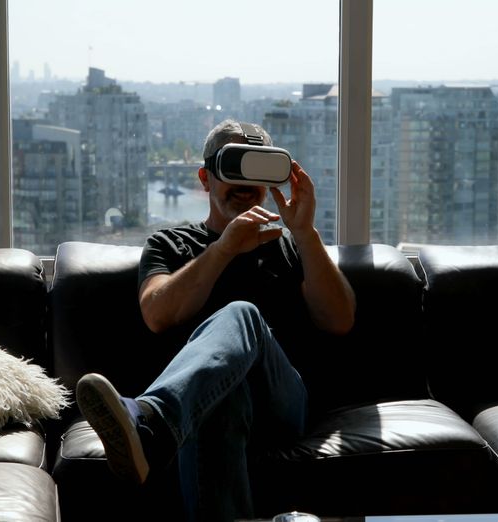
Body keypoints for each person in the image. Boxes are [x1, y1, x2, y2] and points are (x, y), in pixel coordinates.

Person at [76, 118, 356, 521]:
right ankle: (168, 421)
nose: (245, 184)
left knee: (242, 314)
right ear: (206, 179)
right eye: (233, 168)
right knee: (220, 403)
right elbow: (157, 313)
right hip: (206, 405)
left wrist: (306, 233)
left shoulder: (292, 247)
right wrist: (224, 249)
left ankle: (153, 426)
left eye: (255, 170)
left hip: (282, 405)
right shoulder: (169, 244)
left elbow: (339, 320)